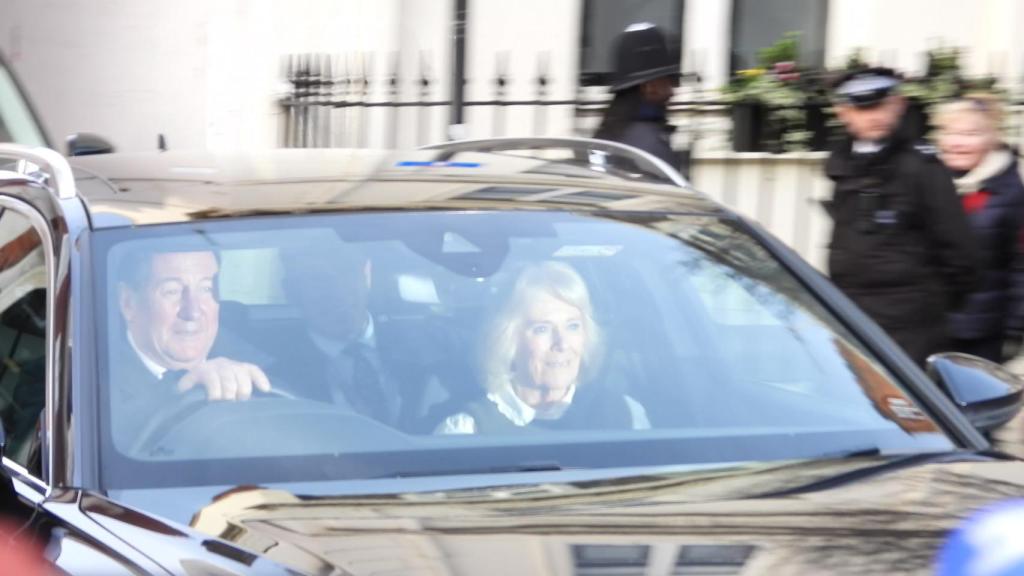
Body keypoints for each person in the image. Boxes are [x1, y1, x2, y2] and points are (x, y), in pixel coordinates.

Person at [825, 67, 979, 366]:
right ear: (843, 112)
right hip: (853, 317)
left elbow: (960, 252)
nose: (873, 115)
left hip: (911, 325)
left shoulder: (921, 166)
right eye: (862, 107)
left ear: (898, 105)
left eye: (881, 104)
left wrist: (931, 305)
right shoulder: (842, 165)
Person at [437, 261, 649, 434]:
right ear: (507, 341)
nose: (562, 343)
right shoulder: (467, 431)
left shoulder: (625, 415)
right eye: (542, 329)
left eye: (573, 326)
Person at [112, 248, 271, 443]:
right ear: (129, 303)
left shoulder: (266, 368)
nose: (193, 311)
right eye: (172, 291)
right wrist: (176, 390)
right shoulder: (85, 382)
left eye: (206, 289)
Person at [935, 95, 1024, 363]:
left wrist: (1015, 331)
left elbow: (1020, 267)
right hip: (924, 325)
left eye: (970, 133)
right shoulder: (929, 180)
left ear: (990, 138)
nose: (957, 142)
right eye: (949, 132)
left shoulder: (1011, 191)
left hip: (980, 334)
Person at [273, 244, 401, 426]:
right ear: (291, 292)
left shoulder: (437, 345)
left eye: (347, 272)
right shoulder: (275, 374)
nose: (338, 291)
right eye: (318, 280)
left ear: (367, 274)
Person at [593, 23, 681, 169]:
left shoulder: (609, 133)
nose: (672, 92)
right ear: (649, 87)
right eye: (669, 81)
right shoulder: (651, 145)